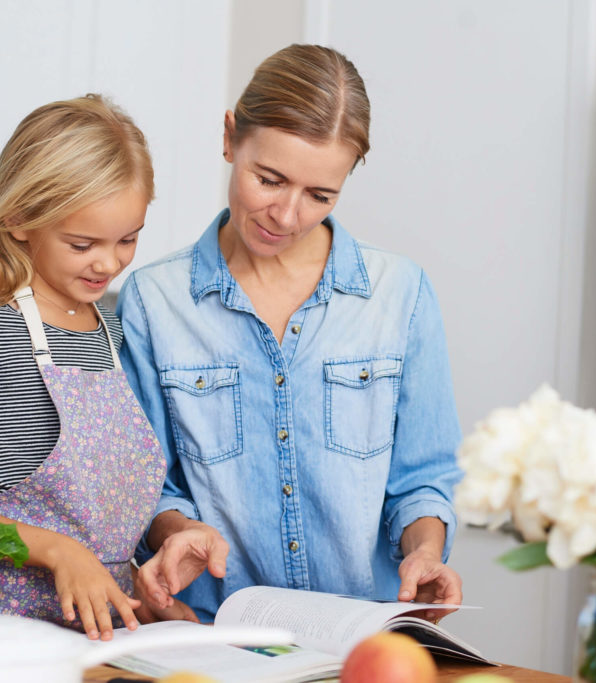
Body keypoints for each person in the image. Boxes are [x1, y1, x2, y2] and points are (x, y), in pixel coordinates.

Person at [121, 44, 465, 624]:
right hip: (214, 639)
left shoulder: (399, 293)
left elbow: (423, 480)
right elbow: (151, 485)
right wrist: (179, 533)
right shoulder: (156, 301)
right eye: (269, 179)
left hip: (366, 640)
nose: (285, 215)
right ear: (231, 138)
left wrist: (425, 553)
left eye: (319, 195)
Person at [0, 94, 181, 639]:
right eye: (82, 244)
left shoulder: (112, 329)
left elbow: (104, 505)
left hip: (99, 630)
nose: (109, 262)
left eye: (128, 239)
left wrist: (145, 588)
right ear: (20, 218)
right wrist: (56, 551)